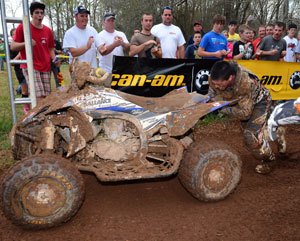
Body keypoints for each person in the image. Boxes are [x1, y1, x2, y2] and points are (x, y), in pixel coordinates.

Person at [208, 60, 275, 174]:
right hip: (241, 101)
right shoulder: (215, 78)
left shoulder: (245, 83)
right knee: (251, 133)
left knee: (250, 136)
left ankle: (269, 160)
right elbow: (211, 94)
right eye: (214, 83)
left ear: (230, 78)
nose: (216, 86)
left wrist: (220, 108)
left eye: (219, 84)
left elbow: (245, 114)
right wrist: (210, 101)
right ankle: (273, 133)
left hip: (260, 102)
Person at [11, 1, 55, 104]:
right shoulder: (23, 27)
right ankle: (38, 119)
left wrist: (55, 59)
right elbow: (13, 46)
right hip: (30, 66)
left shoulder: (48, 30)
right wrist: (26, 43)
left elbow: (50, 49)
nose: (40, 15)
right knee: (38, 98)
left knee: (47, 98)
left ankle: (42, 118)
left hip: (45, 67)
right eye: (36, 12)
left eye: (41, 13)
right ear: (31, 14)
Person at [9, 28, 29, 113]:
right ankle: (26, 108)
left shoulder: (25, 44)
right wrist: (20, 55)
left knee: (33, 89)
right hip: (19, 71)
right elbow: (11, 62)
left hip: (29, 69)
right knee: (25, 89)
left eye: (17, 33)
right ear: (12, 37)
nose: (16, 35)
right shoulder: (12, 48)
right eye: (14, 34)